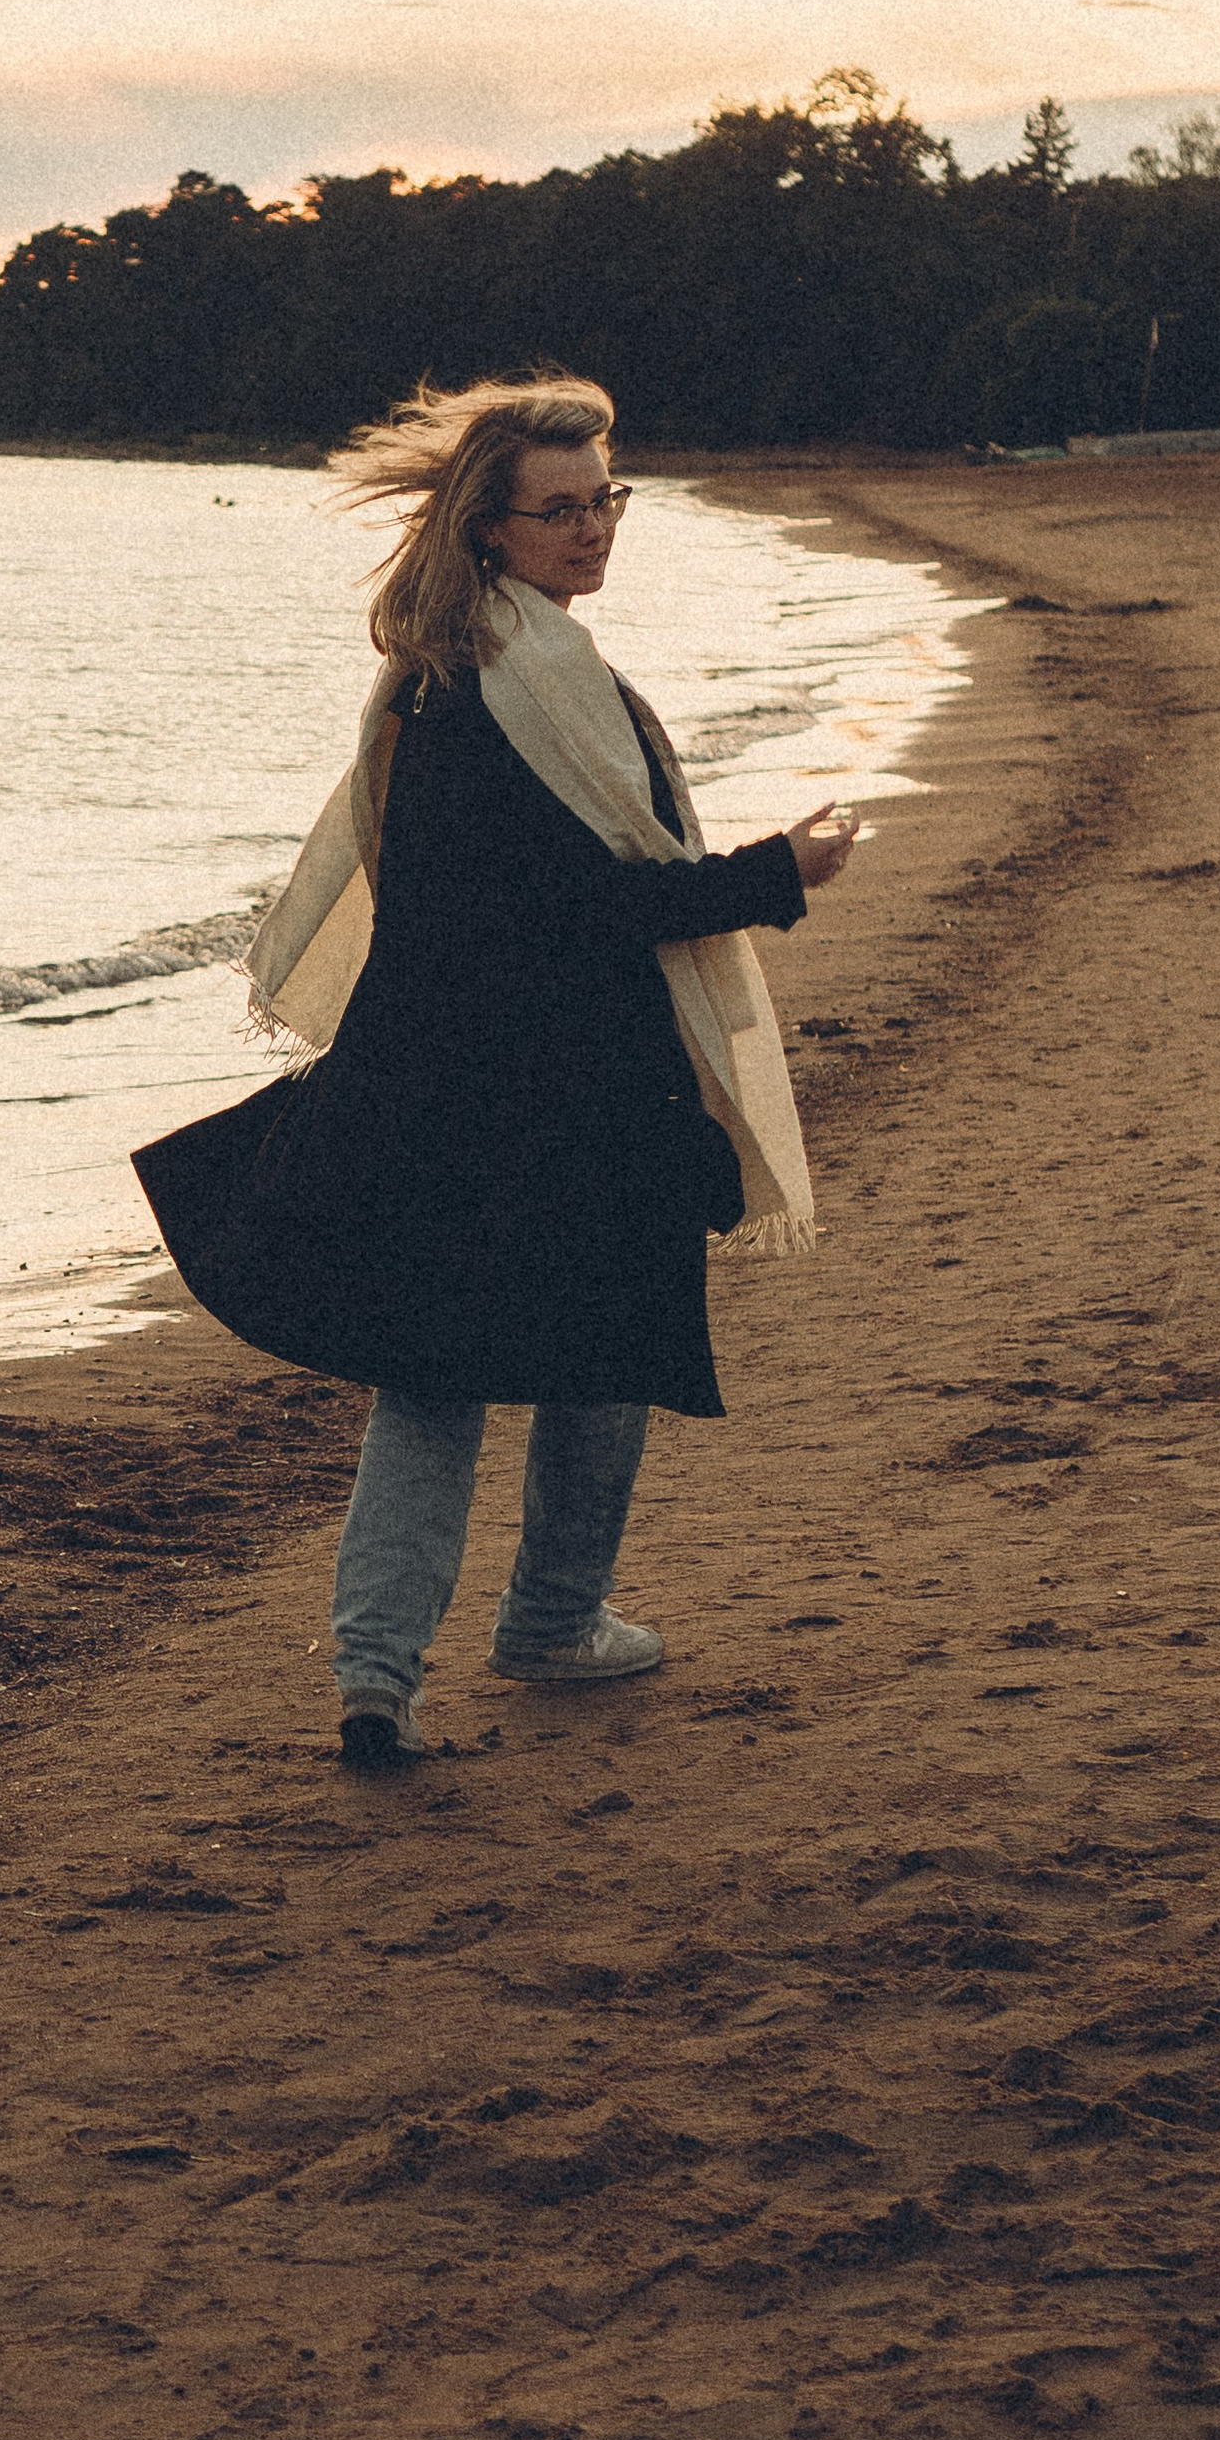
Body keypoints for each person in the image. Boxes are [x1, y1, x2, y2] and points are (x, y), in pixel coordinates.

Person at [132, 374, 856, 1772]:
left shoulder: (441, 680)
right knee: (590, 1356)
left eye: (607, 501)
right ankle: (545, 1624)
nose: (593, 531)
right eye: (561, 510)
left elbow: (505, 907)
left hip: (433, 1087)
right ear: (490, 530)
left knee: (442, 1376)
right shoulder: (512, 691)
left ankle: (378, 1675)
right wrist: (779, 872)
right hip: (556, 1093)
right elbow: (578, 913)